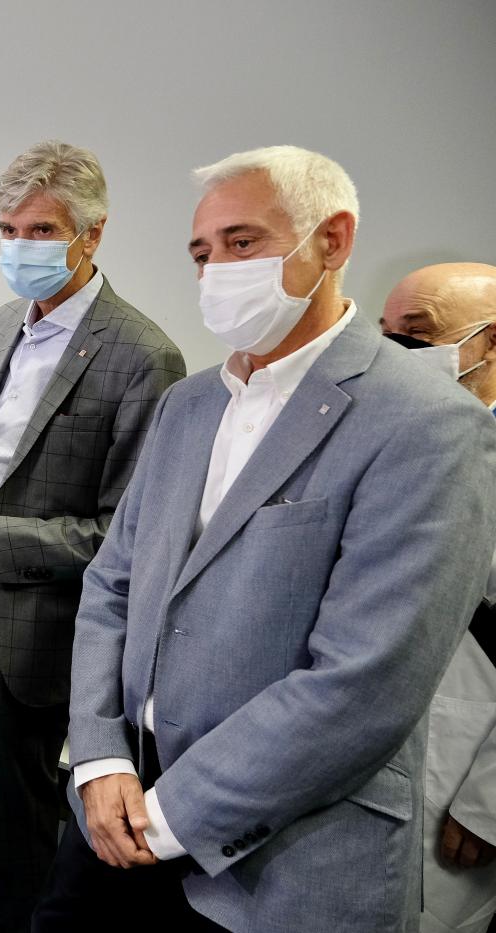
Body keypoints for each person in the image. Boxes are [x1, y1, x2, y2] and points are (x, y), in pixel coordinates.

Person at [41, 146, 496, 932]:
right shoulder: (187, 406)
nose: (217, 269)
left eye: (242, 242)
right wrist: (101, 753)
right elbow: (112, 585)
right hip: (116, 804)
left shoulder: (427, 423)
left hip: (281, 851)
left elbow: (365, 680)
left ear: (332, 240)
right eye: (201, 253)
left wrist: (169, 817)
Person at [0, 141, 184, 932]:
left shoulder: (143, 357)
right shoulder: (3, 323)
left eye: (42, 230)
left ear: (93, 233)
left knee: (19, 805)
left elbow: (123, 535)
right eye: (9, 230)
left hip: (29, 617)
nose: (21, 247)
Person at [381, 262, 496, 933]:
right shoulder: (388, 437)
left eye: (417, 335)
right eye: (384, 333)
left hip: (457, 765)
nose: (395, 353)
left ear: (490, 341)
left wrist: (488, 804)